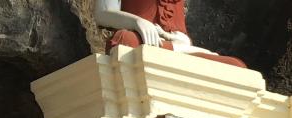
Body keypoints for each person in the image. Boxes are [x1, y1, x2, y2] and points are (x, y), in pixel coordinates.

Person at [94, 0, 247, 68]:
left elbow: (181, 34)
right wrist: (137, 22)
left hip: (172, 48)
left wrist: (179, 41)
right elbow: (103, 13)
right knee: (125, 40)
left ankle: (176, 52)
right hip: (140, 41)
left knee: (237, 67)